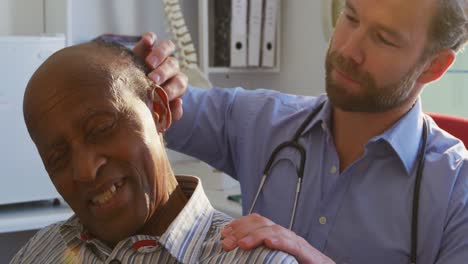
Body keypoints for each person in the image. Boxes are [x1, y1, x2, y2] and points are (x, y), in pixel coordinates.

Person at [138, 0, 468, 263]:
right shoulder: (262, 120)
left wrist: (309, 256)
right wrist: (137, 70)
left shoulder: (457, 192)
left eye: (383, 38)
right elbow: (144, 102)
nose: (348, 50)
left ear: (433, 65)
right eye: (350, 17)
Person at [11, 39, 297, 263]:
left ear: (158, 110)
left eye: (101, 128)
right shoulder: (42, 251)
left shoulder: (253, 259)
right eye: (57, 158)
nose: (85, 171)